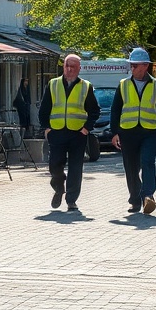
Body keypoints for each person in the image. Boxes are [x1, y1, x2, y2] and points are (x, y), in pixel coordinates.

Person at [110, 48, 156, 215]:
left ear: (145, 66)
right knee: (131, 168)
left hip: (150, 132)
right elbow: (115, 110)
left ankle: (148, 196)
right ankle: (135, 201)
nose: (137, 68)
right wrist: (114, 132)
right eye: (134, 65)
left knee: (147, 162)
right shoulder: (123, 85)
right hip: (127, 133)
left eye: (140, 65)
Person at [39, 54, 101, 212]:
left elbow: (94, 111)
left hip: (77, 133)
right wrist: (47, 128)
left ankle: (71, 200)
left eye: (73, 66)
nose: (69, 69)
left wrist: (86, 128)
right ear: (63, 67)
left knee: (75, 167)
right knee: (54, 165)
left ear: (79, 68)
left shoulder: (86, 86)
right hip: (57, 132)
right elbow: (44, 109)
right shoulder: (53, 84)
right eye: (67, 65)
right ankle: (59, 187)